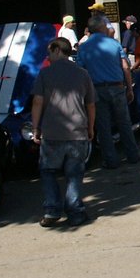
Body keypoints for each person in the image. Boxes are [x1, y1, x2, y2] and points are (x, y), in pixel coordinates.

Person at [30, 37, 96, 227]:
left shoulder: (45, 74)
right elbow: (91, 104)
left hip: (52, 132)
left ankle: (52, 210)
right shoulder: (83, 73)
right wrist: (90, 127)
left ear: (57, 50)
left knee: (48, 171)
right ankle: (75, 212)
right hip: (77, 131)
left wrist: (35, 128)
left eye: (49, 52)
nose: (47, 56)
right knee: (74, 174)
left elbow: (37, 102)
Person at [76, 14, 140, 168]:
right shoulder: (114, 43)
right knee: (124, 122)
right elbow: (125, 67)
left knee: (103, 126)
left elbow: (80, 72)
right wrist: (129, 88)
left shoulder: (83, 47)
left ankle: (111, 160)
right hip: (117, 87)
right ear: (101, 27)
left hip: (96, 89)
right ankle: (132, 155)